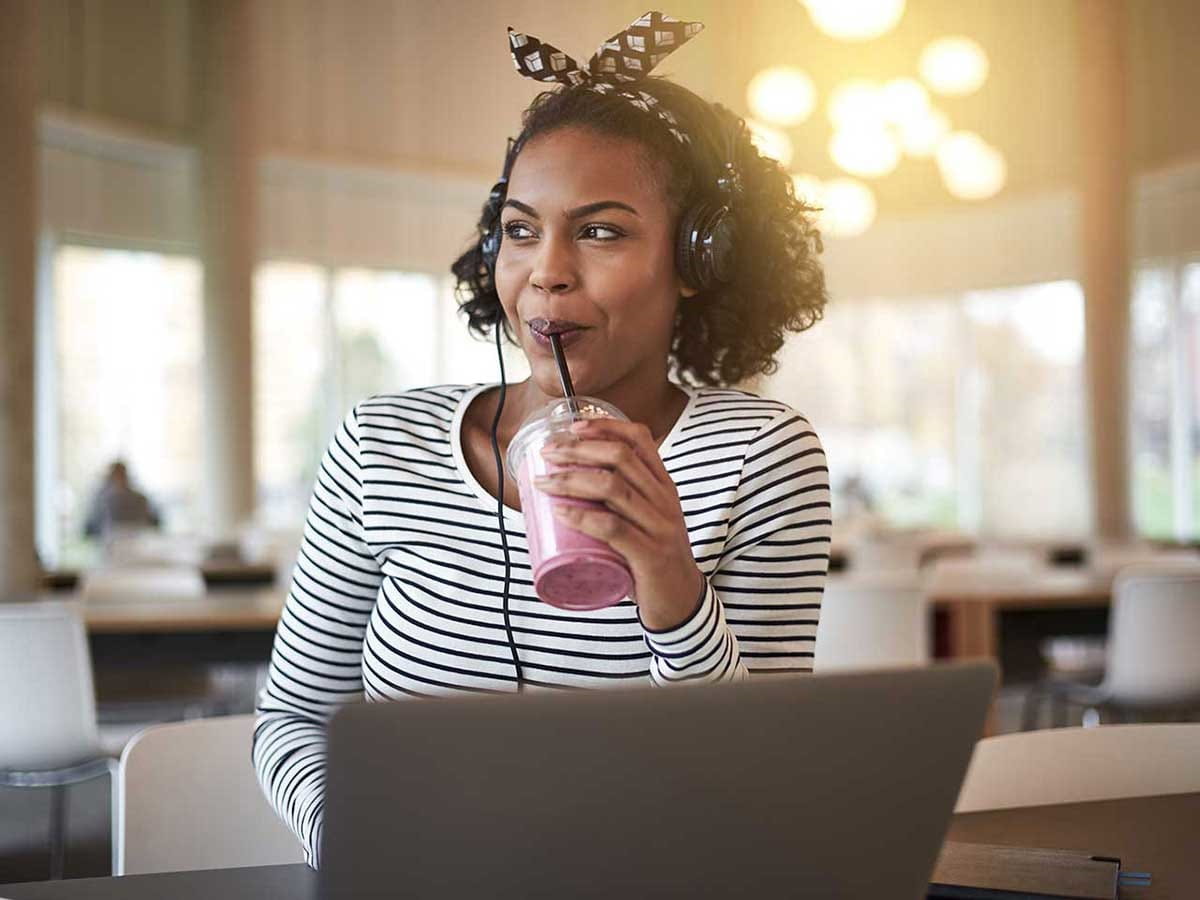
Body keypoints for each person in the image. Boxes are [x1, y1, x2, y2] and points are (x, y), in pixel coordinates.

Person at [253, 11, 832, 868]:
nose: (546, 270)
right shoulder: (381, 443)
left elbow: (759, 784)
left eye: (600, 231)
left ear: (697, 263)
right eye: (521, 230)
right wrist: (363, 847)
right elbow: (294, 719)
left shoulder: (762, 458)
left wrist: (671, 586)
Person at [82, 460, 161, 539]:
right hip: (114, 543)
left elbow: (155, 522)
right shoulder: (103, 501)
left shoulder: (139, 499)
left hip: (137, 543)